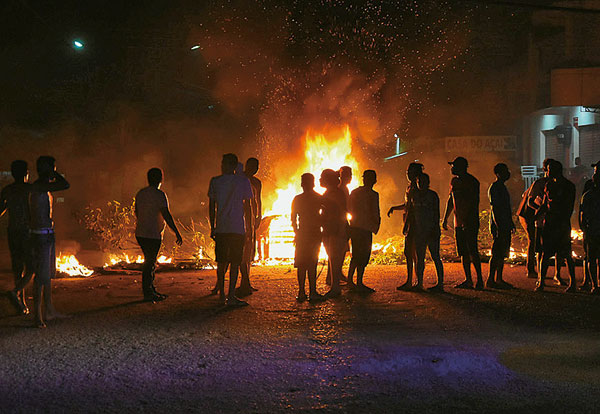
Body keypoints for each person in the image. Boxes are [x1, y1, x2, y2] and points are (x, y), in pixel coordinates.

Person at [26, 156, 70, 328]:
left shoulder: (43, 187)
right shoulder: (40, 186)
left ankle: (49, 310)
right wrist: (53, 172)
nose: (54, 171)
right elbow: (65, 184)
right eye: (52, 168)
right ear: (46, 169)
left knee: (47, 276)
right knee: (41, 276)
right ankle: (37, 315)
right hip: (40, 236)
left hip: (46, 234)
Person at [208, 153, 254, 306]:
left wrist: (213, 227)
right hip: (235, 228)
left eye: (225, 163)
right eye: (222, 163)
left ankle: (225, 296)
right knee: (231, 262)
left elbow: (212, 206)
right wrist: (249, 227)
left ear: (232, 166)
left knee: (225, 263)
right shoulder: (242, 181)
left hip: (225, 228)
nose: (222, 166)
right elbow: (247, 206)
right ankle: (229, 296)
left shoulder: (216, 182)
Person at [135, 168, 183, 303]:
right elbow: (166, 215)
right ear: (161, 179)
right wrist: (176, 232)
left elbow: (136, 211)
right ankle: (148, 293)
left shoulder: (141, 193)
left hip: (141, 233)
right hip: (153, 234)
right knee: (150, 263)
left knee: (149, 261)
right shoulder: (160, 195)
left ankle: (150, 289)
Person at [442, 156, 484, 289]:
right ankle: (468, 280)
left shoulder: (472, 182)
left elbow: (473, 202)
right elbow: (451, 200)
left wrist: (467, 219)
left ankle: (480, 280)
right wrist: (445, 218)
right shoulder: (454, 181)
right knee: (463, 252)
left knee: (472, 250)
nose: (451, 168)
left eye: (453, 166)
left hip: (470, 221)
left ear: (461, 167)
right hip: (458, 222)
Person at [535, 160, 577, 292]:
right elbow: (545, 204)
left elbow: (569, 207)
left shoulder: (568, 186)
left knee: (566, 254)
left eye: (549, 169)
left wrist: (562, 220)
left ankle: (573, 283)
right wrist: (536, 215)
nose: (547, 172)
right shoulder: (548, 185)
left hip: (561, 224)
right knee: (545, 253)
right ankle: (541, 282)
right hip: (550, 223)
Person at [526, 159, 566, 286]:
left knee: (559, 250)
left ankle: (557, 274)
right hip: (542, 222)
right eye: (548, 169)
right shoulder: (539, 183)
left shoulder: (561, 185)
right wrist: (539, 211)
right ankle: (540, 275)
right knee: (541, 250)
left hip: (556, 222)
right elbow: (530, 201)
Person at [2, 160, 33, 314]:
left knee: (18, 267)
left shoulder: (8, 190)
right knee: (32, 266)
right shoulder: (30, 189)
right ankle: (16, 293)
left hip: (12, 230)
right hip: (27, 231)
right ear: (26, 173)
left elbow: (1, 209)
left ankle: (21, 303)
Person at [387, 162, 424, 290]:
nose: (408, 174)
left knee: (415, 254)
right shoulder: (409, 188)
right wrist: (395, 208)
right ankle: (412, 281)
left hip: (415, 225)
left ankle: (416, 282)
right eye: (407, 172)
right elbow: (407, 205)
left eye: (410, 172)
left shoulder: (418, 190)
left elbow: (414, 208)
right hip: (409, 224)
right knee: (410, 254)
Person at [407, 173, 444, 291]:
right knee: (420, 257)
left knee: (435, 256)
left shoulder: (432, 196)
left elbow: (436, 214)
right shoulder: (414, 195)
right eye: (419, 182)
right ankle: (419, 283)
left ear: (428, 183)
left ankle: (440, 284)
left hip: (431, 231)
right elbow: (411, 213)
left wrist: (435, 229)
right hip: (419, 231)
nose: (421, 184)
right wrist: (409, 227)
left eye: (423, 182)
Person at [291, 173, 324, 302]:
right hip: (314, 233)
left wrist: (296, 232)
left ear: (303, 184)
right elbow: (325, 214)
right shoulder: (318, 198)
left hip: (303, 233)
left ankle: (301, 292)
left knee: (301, 264)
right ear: (313, 183)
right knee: (312, 263)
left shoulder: (297, 199)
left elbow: (293, 218)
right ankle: (312, 292)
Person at [347, 170, 380, 292]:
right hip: (365, 229)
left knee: (356, 255)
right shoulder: (373, 195)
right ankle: (358, 282)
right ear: (374, 181)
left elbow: (348, 208)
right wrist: (375, 225)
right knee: (363, 256)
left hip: (356, 228)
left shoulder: (355, 192)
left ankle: (351, 281)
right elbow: (375, 212)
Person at [486, 163, 516, 289]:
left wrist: (510, 223)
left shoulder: (501, 187)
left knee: (502, 253)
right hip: (499, 225)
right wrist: (498, 226)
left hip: (504, 224)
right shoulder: (495, 188)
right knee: (497, 253)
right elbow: (495, 209)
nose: (507, 173)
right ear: (498, 173)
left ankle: (498, 279)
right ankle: (491, 279)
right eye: (505, 171)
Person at [320, 169, 348, 298]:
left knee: (335, 257)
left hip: (336, 229)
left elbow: (342, 212)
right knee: (332, 257)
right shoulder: (330, 192)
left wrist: (341, 229)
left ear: (328, 180)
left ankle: (335, 287)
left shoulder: (336, 193)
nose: (319, 180)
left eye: (322, 177)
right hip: (330, 229)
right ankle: (334, 284)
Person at [237, 157, 262, 296]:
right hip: (242, 220)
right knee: (242, 251)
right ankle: (245, 282)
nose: (256, 169)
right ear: (247, 166)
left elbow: (258, 200)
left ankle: (246, 283)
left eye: (257, 166)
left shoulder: (257, 182)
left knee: (250, 253)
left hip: (251, 220)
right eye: (253, 166)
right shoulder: (240, 180)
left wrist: (259, 216)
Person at [325, 165, 352, 285]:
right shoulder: (339, 189)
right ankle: (332, 277)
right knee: (336, 252)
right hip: (338, 223)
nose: (350, 177)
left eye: (350, 175)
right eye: (347, 175)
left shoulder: (343, 188)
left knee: (341, 251)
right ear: (341, 176)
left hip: (341, 222)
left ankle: (336, 274)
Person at [579, 161, 599, 290]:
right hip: (591, 228)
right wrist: (583, 228)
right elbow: (582, 209)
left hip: (592, 228)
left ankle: (594, 284)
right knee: (589, 257)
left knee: (591, 257)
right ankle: (589, 282)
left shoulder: (590, 192)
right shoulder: (588, 188)